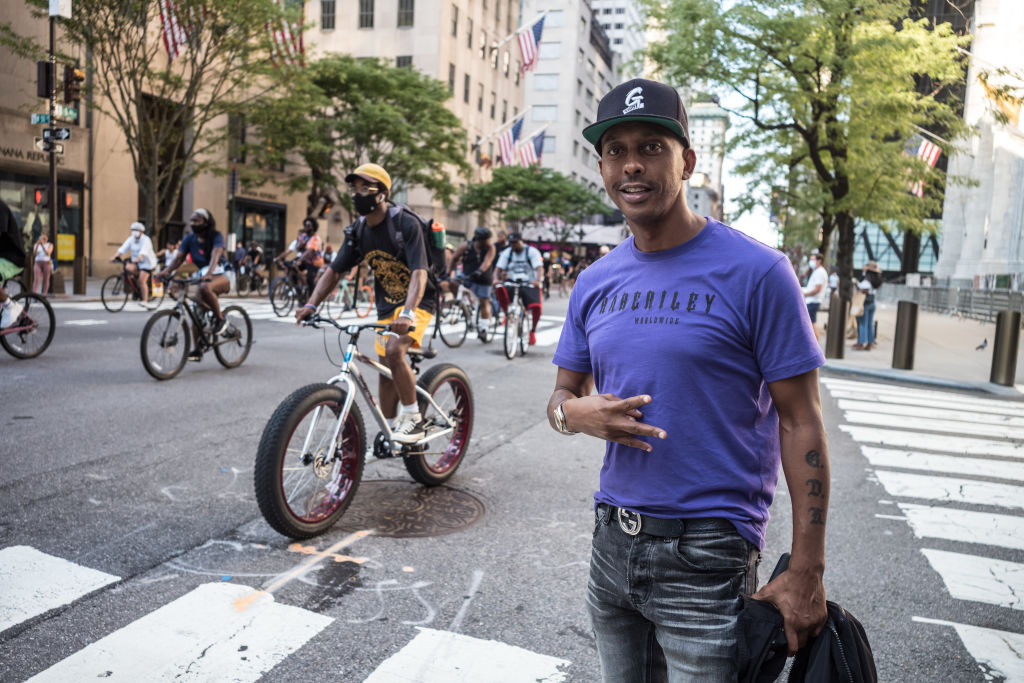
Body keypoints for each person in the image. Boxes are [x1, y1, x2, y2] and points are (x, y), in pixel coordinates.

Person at [547, 78, 829, 680]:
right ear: (600, 165)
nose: (631, 165)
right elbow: (562, 394)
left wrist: (807, 570)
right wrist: (574, 415)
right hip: (612, 547)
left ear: (687, 160)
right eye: (615, 150)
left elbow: (801, 419)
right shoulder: (595, 281)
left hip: (708, 556)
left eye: (651, 147)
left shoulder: (758, 272)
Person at [297, 163, 437, 443]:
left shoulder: (405, 223)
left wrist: (408, 313)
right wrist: (311, 304)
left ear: (382, 194)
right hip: (387, 307)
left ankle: (413, 418)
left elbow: (420, 273)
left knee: (396, 350)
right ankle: (389, 429)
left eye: (366, 188)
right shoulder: (359, 231)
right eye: (354, 188)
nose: (358, 193)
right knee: (385, 369)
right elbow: (334, 271)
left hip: (418, 302)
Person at [156, 208, 230, 361]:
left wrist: (210, 273)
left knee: (204, 287)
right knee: (196, 313)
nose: (193, 223)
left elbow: (215, 255)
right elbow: (178, 260)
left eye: (197, 220)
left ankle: (220, 319)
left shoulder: (216, 236)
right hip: (203, 275)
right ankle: (198, 349)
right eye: (191, 220)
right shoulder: (189, 239)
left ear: (206, 222)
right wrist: (166, 272)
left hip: (221, 274)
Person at [445, 227, 496, 339]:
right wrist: (448, 273)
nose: (488, 241)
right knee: (452, 283)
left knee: (484, 302)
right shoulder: (466, 246)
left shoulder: (491, 248)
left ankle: (484, 328)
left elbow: (487, 262)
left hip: (483, 277)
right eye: (486, 239)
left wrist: (479, 271)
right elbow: (454, 258)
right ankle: (462, 302)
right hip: (467, 274)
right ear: (479, 239)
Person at [495, 232, 543, 345]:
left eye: (515, 243)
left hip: (529, 283)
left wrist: (538, 281)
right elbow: (497, 269)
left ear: (521, 241)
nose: (513, 246)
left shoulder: (531, 252)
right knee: (499, 288)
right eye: (511, 243)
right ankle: (508, 314)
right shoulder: (508, 252)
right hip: (512, 282)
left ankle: (532, 331)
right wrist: (495, 279)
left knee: (537, 307)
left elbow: (539, 268)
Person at [110, 222, 157, 306]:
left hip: (147, 263)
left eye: (136, 230)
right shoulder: (131, 239)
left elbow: (143, 252)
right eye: (133, 230)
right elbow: (122, 249)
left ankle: (145, 300)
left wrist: (137, 259)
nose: (134, 232)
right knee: (127, 268)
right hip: (136, 262)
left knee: (142, 281)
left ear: (141, 231)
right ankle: (135, 290)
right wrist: (114, 256)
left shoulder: (146, 240)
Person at [853, 261, 883, 351]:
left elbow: (863, 289)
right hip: (872, 303)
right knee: (870, 324)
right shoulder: (876, 280)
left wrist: (856, 284)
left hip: (864, 304)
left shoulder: (867, 280)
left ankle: (861, 343)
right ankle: (870, 343)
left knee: (862, 323)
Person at [801, 252, 828, 341]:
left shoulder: (820, 272)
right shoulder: (816, 271)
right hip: (811, 301)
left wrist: (804, 294)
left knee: (812, 323)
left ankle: (816, 343)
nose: (811, 261)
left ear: (819, 261)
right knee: (811, 322)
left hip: (813, 301)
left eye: (813, 259)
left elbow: (817, 289)